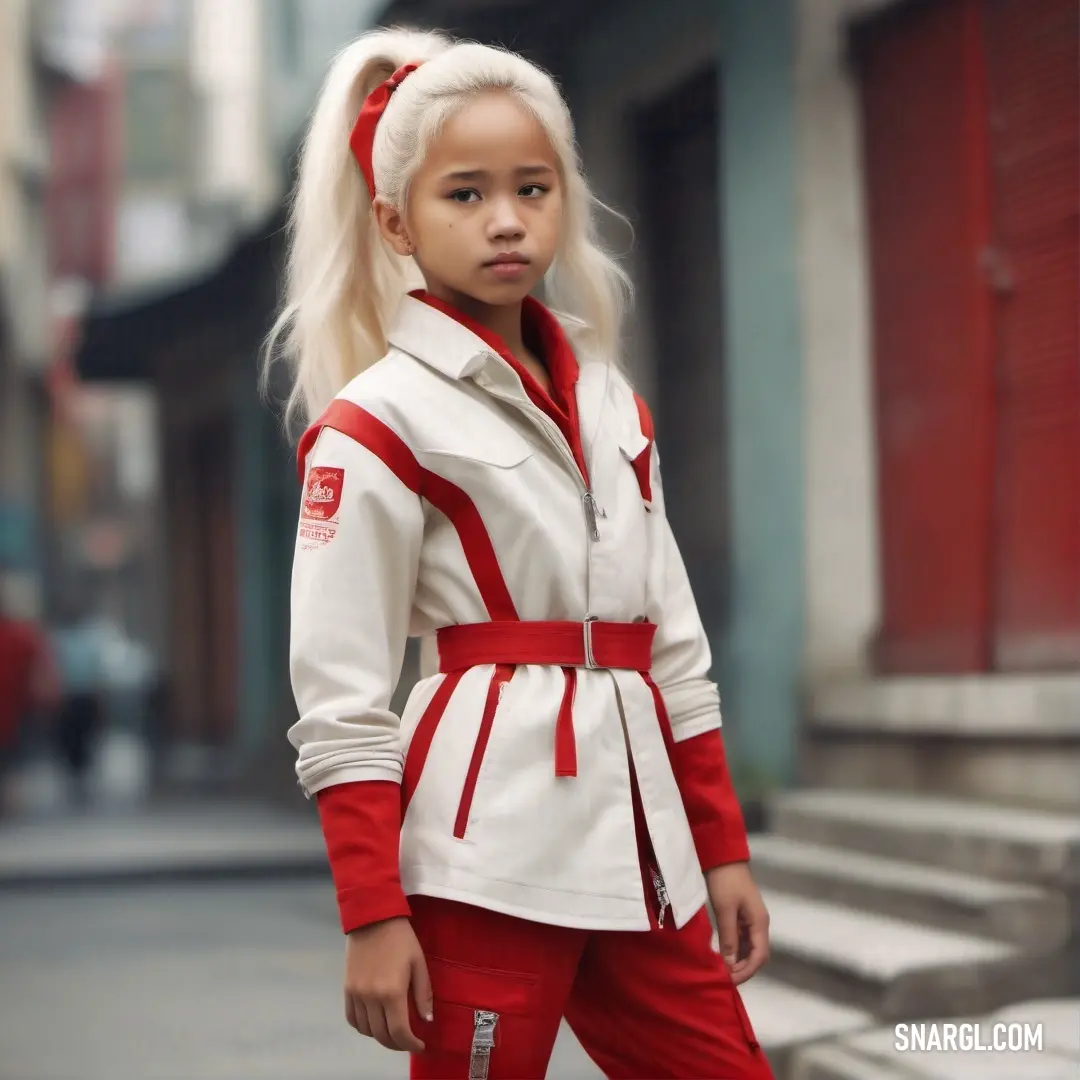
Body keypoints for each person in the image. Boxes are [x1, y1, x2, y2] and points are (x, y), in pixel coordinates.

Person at [268, 26, 775, 1080]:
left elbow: (671, 648)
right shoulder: (373, 426)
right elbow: (340, 697)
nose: (506, 220)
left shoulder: (610, 404)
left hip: (644, 852)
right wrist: (373, 912)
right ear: (395, 219)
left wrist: (720, 847)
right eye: (465, 194)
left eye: (533, 188)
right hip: (481, 861)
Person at [0, 594, 59, 816]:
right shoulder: (23, 635)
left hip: (16, 708)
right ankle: (9, 801)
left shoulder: (22, 635)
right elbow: (42, 672)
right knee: (13, 759)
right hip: (17, 710)